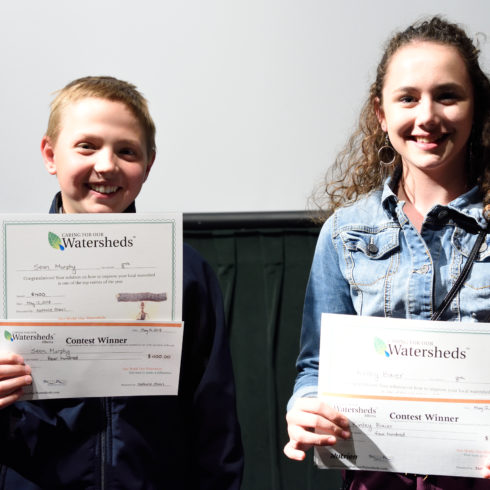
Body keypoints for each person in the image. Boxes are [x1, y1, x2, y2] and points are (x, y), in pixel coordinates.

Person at [0, 76, 243, 489]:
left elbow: (214, 419)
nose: (107, 165)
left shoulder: (186, 273)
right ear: (50, 154)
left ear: (148, 165)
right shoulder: (7, 267)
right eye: (87, 145)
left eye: (126, 151)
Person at [284, 17, 490, 488]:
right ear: (381, 113)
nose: (427, 116)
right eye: (408, 97)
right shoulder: (343, 233)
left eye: (448, 95)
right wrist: (305, 409)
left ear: (475, 108)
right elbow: (315, 368)